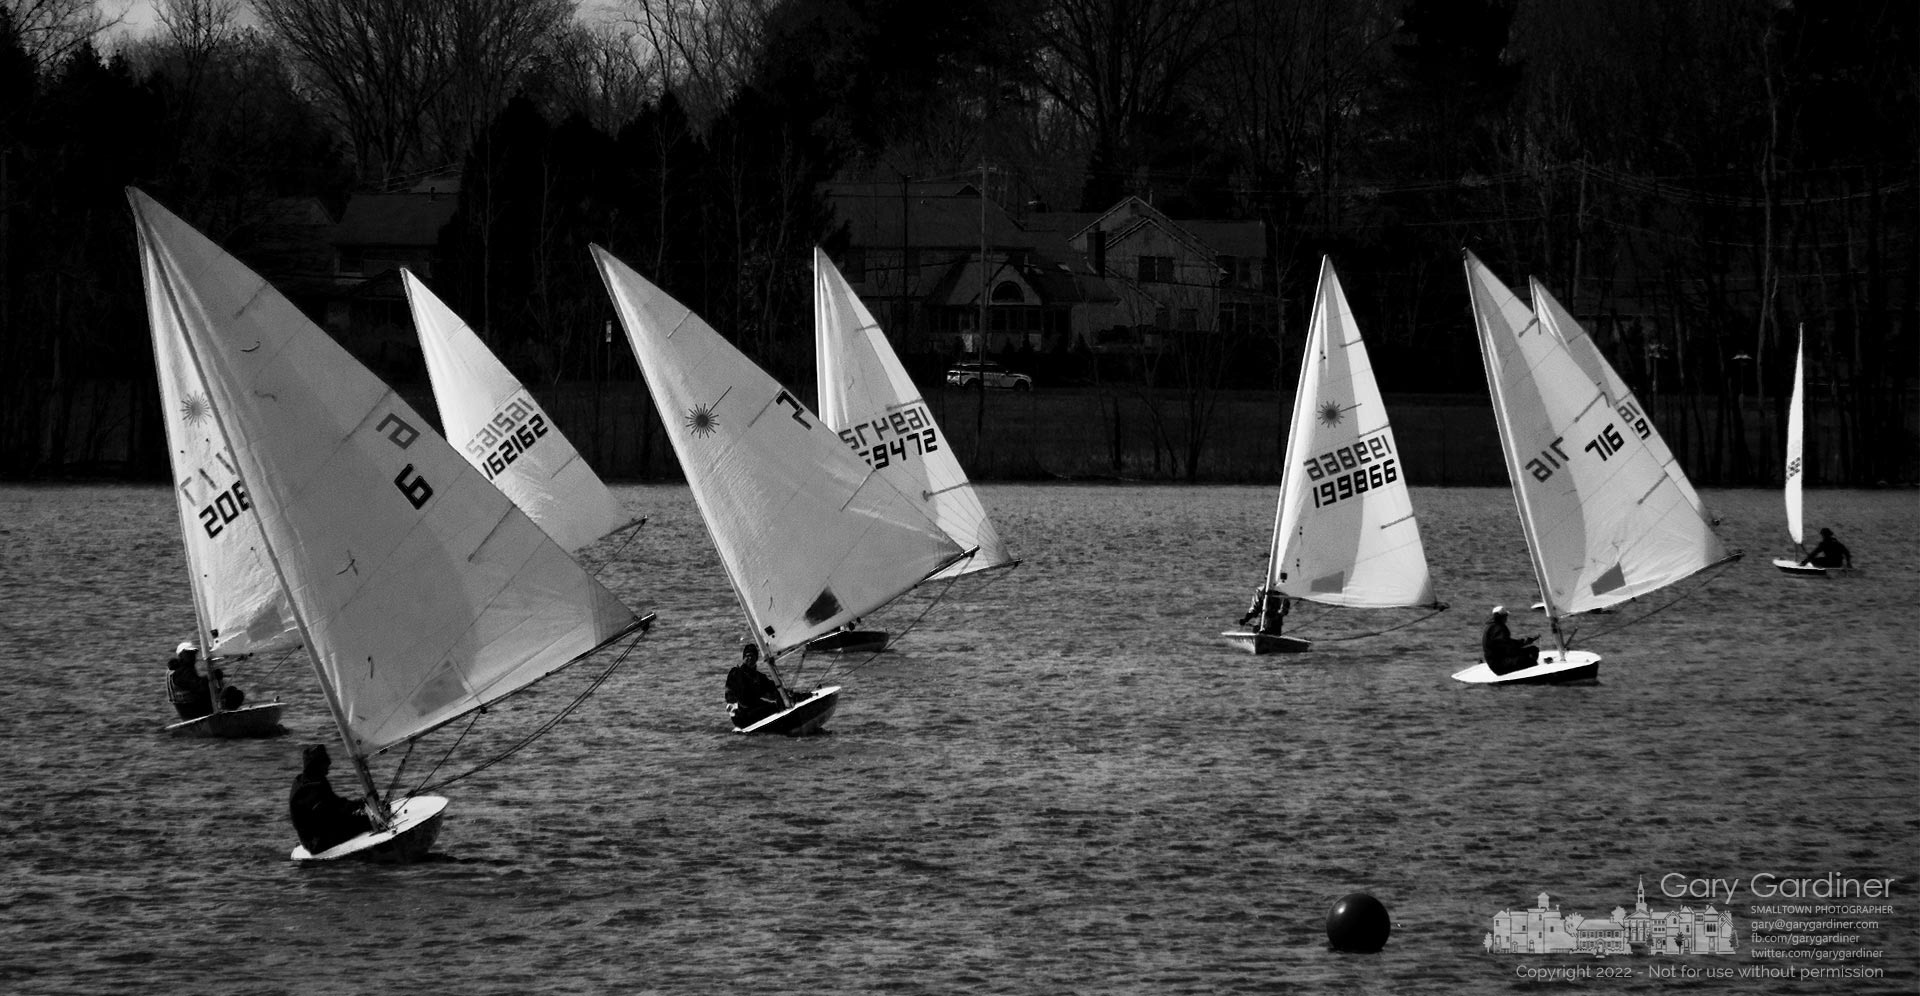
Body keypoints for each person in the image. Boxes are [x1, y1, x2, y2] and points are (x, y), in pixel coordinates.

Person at [289, 743, 373, 854]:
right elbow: (330, 814)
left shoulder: (317, 780)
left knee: (365, 819)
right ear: (316, 766)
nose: (329, 765)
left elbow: (335, 803)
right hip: (317, 842)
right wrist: (355, 808)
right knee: (367, 822)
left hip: (325, 829)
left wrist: (358, 804)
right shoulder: (306, 791)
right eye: (325, 762)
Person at [725, 642, 788, 730]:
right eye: (747, 656)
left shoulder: (759, 677)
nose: (750, 658)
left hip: (755, 709)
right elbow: (729, 694)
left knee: (778, 705)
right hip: (742, 716)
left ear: (756, 659)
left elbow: (772, 691)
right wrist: (734, 713)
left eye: (752, 656)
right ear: (744, 658)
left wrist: (784, 692)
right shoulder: (736, 673)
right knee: (773, 708)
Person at [1481, 606, 1542, 676]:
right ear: (1503, 617)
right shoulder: (1499, 628)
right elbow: (1508, 646)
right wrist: (1523, 643)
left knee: (1532, 650)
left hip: (1496, 661)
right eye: (1506, 616)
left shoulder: (1491, 626)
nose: (1506, 619)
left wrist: (1524, 642)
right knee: (1530, 656)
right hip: (1499, 665)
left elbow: (1506, 643)